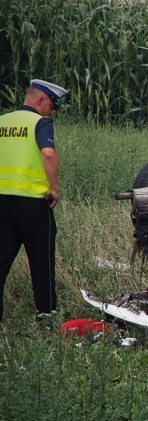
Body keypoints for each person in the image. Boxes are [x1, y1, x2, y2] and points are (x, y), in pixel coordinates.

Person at [0, 79, 68, 322]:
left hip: (2, 202)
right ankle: (46, 316)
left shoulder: (3, 121)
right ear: (40, 100)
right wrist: (55, 188)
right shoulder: (40, 122)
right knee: (41, 263)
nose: (51, 111)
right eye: (51, 105)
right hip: (32, 203)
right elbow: (48, 153)